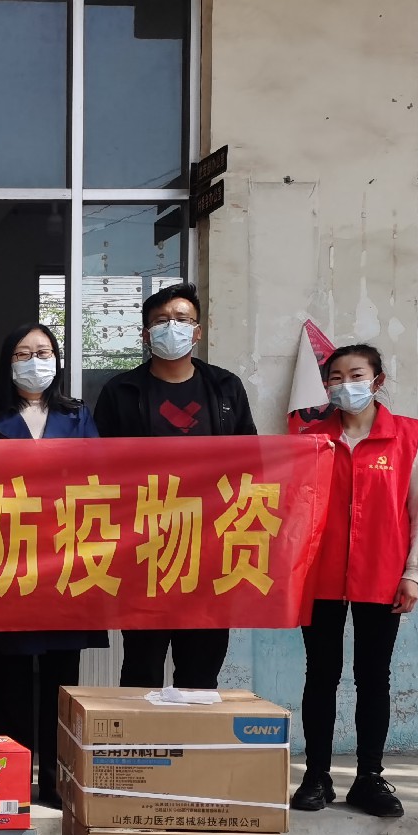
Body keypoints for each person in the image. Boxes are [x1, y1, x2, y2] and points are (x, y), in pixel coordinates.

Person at [289, 345, 418, 819]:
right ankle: (317, 775)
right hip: (320, 575)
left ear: (377, 381)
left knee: (374, 676)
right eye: (335, 377)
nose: (344, 384)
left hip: (383, 573)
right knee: (321, 674)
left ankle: (369, 777)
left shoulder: (408, 438)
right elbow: (293, 510)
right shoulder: (311, 440)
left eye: (356, 374)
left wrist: (413, 573)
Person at [92, 282, 257, 689]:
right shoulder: (121, 392)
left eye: (182, 319)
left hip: (210, 548)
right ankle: (140, 732)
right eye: (162, 321)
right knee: (141, 667)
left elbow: (250, 462)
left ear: (197, 331)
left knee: (201, 669)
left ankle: (193, 730)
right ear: (146, 334)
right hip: (143, 547)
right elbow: (96, 467)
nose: (172, 327)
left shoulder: (225, 387)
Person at [0, 323, 107, 806]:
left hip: (65, 558)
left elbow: (98, 478)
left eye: (43, 352)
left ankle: (55, 779)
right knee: (11, 676)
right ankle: (9, 780)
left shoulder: (77, 413)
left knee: (61, 679)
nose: (35, 362)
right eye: (23, 353)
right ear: (7, 363)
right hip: (10, 558)